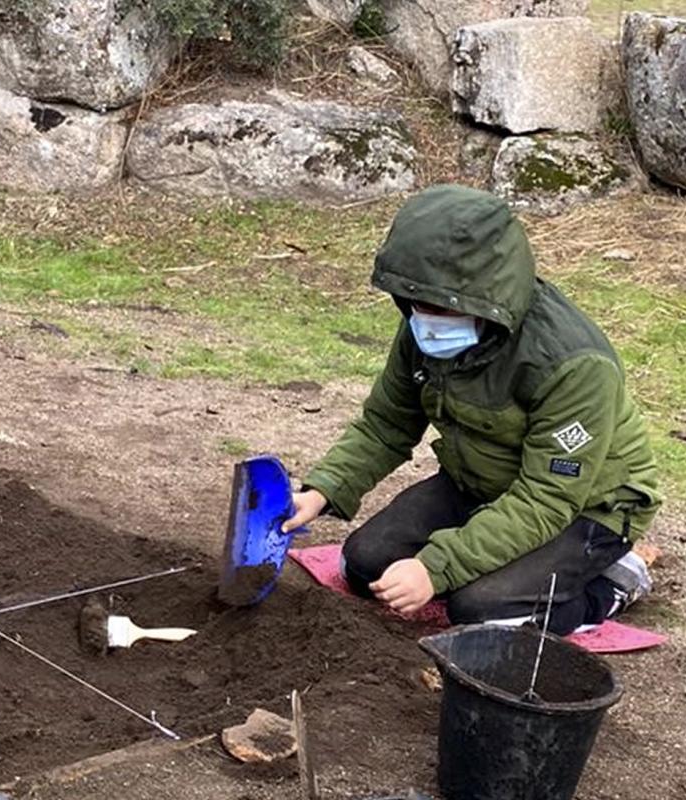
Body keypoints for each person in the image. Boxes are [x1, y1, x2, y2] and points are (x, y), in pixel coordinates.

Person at [282, 185, 661, 636]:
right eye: (416, 302)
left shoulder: (573, 363)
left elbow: (546, 498)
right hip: (479, 483)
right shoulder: (423, 328)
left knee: (481, 611)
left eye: (442, 306)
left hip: (587, 507)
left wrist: (437, 568)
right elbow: (386, 424)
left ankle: (614, 581)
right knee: (363, 566)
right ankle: (493, 563)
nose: (427, 319)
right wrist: (321, 491)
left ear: (487, 297)